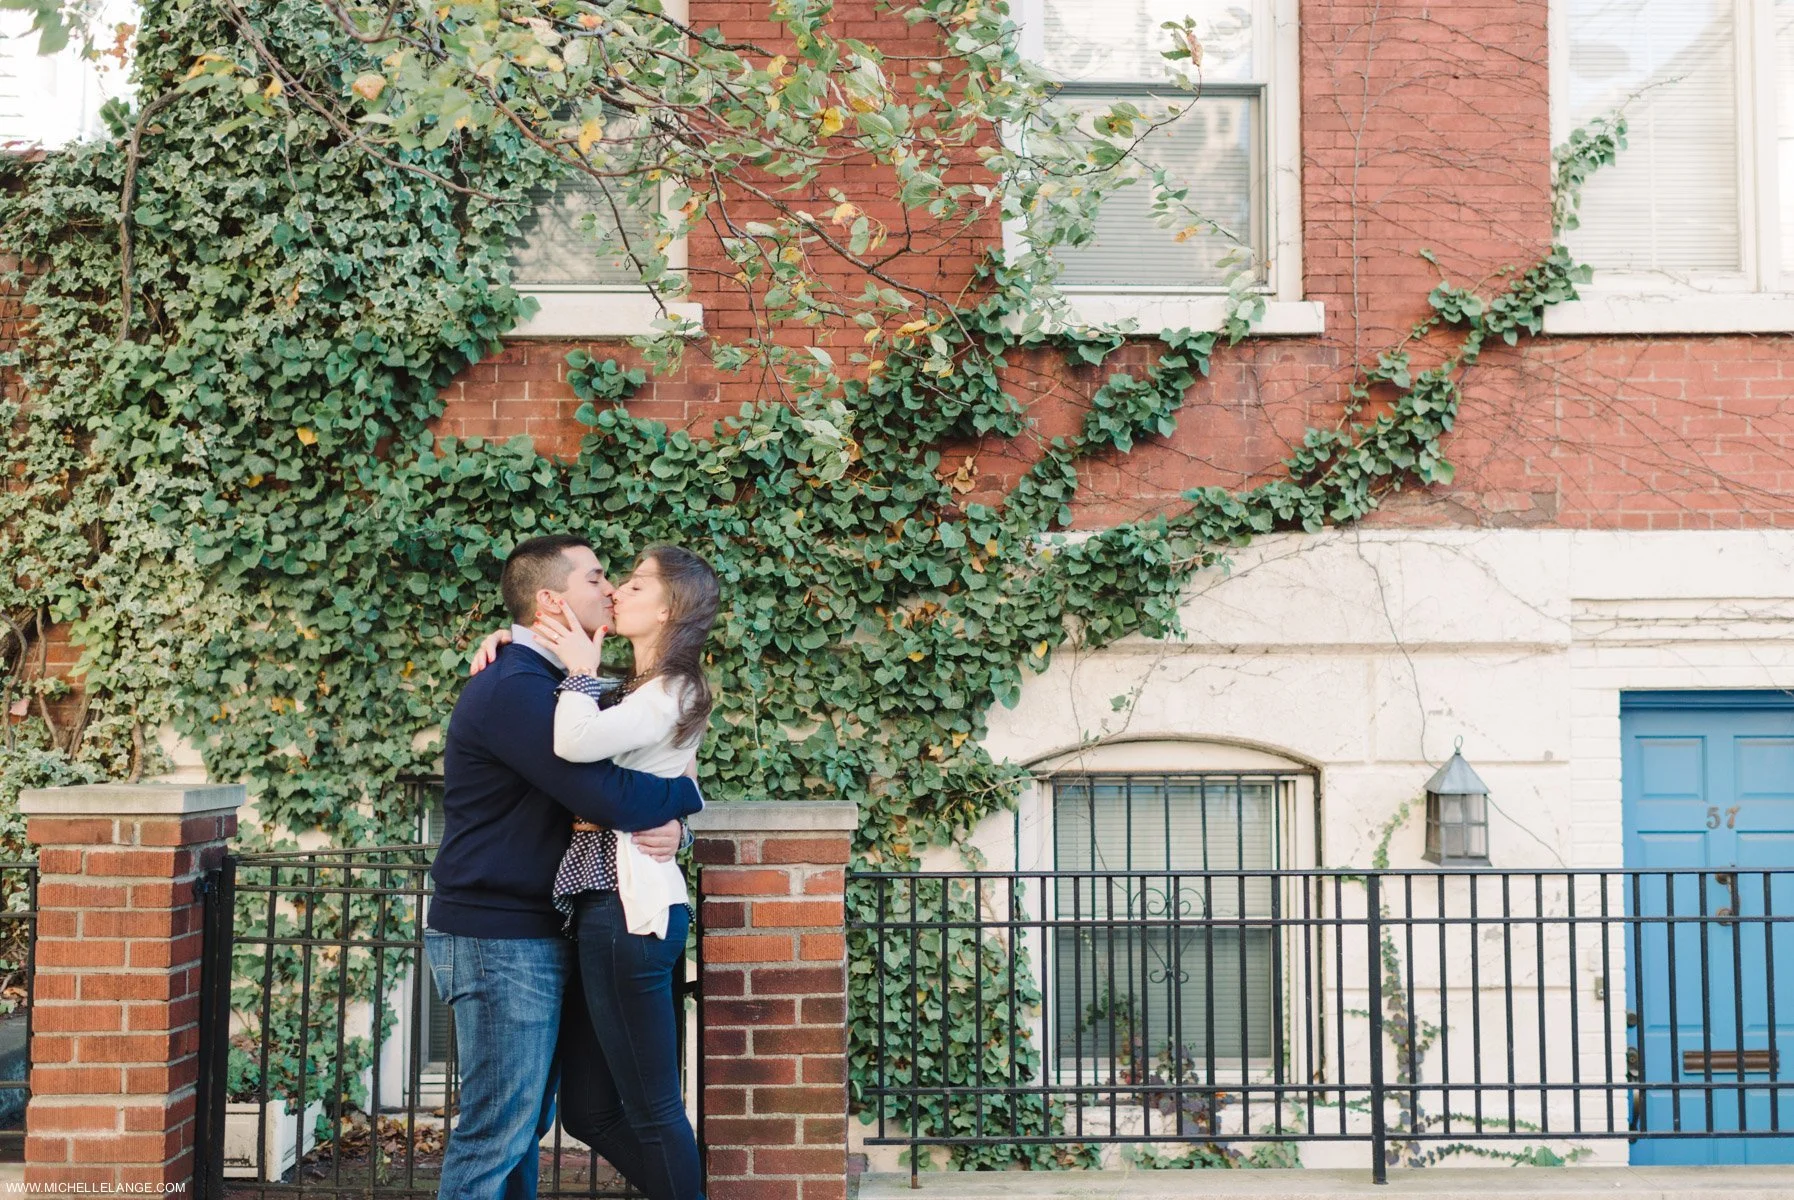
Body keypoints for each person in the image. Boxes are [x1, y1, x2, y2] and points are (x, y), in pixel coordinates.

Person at [426, 534, 704, 1200]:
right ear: (552, 600)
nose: (610, 591)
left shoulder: (552, 682)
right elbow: (603, 796)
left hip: (539, 929)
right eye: (599, 578)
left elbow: (632, 766)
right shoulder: (516, 688)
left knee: (522, 1131)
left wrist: (676, 828)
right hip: (497, 936)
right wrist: (686, 800)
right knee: (497, 1134)